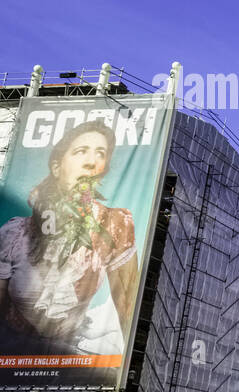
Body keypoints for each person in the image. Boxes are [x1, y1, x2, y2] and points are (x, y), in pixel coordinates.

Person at [0, 121, 138, 358]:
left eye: (100, 154)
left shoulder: (114, 225)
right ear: (56, 167)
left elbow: (129, 308)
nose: (91, 161)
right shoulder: (15, 234)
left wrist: (131, 368)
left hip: (70, 355)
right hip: (11, 356)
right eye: (80, 151)